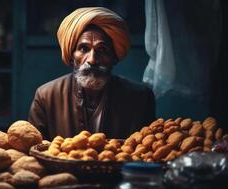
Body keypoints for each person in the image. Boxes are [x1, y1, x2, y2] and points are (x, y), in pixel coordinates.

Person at [28, 7, 155, 140]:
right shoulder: (46, 97)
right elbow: (33, 150)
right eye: (83, 49)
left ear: (114, 57)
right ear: (71, 57)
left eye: (102, 49)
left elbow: (149, 151)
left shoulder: (140, 98)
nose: (92, 60)